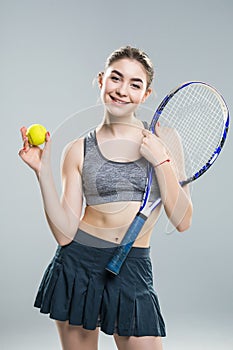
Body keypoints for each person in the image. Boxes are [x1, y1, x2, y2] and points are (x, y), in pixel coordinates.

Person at [19, 46, 193, 350]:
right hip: (79, 267)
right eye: (116, 78)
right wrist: (41, 170)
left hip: (133, 267)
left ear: (146, 94)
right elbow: (64, 234)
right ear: (101, 80)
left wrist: (161, 162)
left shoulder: (166, 140)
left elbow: (182, 220)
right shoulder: (77, 149)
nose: (122, 90)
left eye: (135, 84)